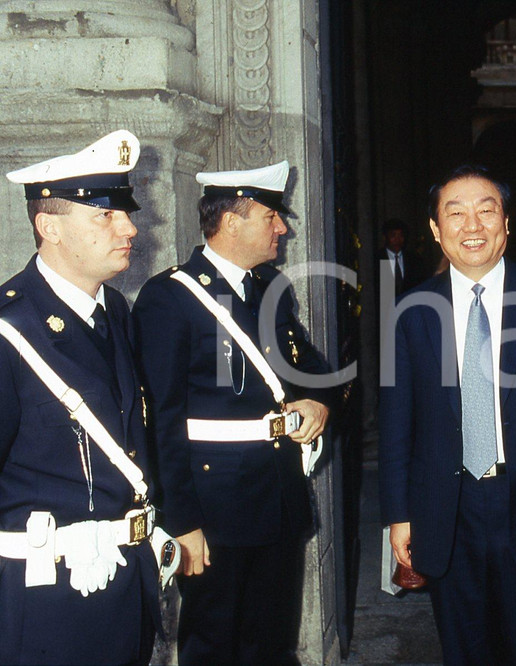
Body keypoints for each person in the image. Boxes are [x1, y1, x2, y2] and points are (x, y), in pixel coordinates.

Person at [379, 164, 516, 664]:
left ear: (507, 223)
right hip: (446, 507)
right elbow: (397, 421)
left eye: (486, 211)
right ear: (436, 230)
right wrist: (397, 514)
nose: (472, 227)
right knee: (463, 649)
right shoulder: (410, 310)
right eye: (455, 214)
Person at [132, 161, 331, 664]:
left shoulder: (269, 287)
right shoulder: (170, 297)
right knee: (214, 644)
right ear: (231, 220)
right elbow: (161, 420)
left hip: (278, 497)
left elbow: (307, 364)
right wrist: (181, 521)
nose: (282, 228)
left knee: (271, 642)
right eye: (271, 216)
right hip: (214, 508)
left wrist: (318, 400)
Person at [0, 131, 159, 664]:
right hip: (46, 604)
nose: (130, 227)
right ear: (50, 227)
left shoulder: (114, 311)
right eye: (105, 216)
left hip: (124, 585)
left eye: (125, 213)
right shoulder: (10, 328)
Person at [378, 218, 427, 296]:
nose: (397, 240)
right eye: (393, 235)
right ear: (385, 237)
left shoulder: (414, 260)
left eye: (401, 235)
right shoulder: (377, 259)